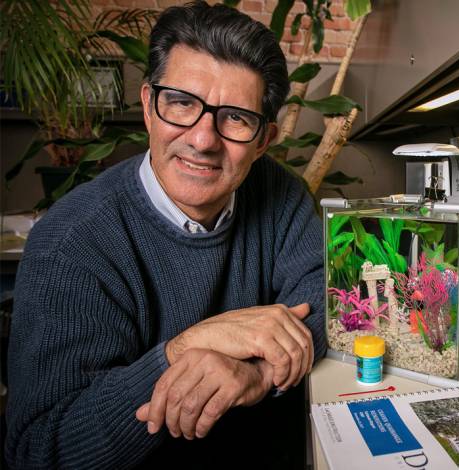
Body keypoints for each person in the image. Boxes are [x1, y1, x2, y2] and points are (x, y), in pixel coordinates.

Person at [5, 2, 325, 468]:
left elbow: (330, 297)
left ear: (263, 140)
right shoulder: (70, 242)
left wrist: (256, 373)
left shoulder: (280, 193)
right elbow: (37, 452)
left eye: (235, 117)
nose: (202, 139)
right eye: (182, 103)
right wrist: (184, 351)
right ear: (149, 108)